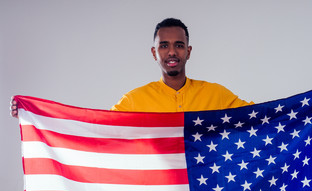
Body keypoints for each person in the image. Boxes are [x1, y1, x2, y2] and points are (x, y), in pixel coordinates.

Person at [10, 18, 252, 117]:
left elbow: (262, 117)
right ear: (154, 53)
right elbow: (95, 127)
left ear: (188, 51)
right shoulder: (135, 101)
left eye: (179, 45)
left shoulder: (216, 95)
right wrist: (33, 114)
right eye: (164, 46)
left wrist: (291, 111)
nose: (171, 52)